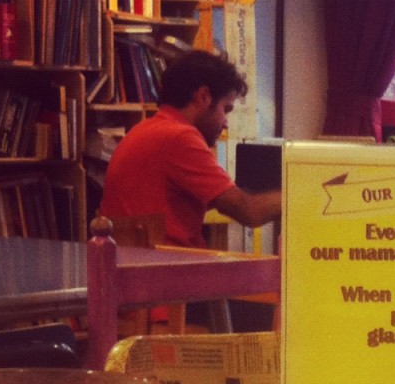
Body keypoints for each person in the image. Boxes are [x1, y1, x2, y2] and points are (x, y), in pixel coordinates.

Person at [101, 49, 281, 248]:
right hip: (167, 265)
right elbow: (249, 211)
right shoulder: (180, 137)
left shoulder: (144, 130)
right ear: (203, 97)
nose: (226, 123)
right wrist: (299, 195)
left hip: (139, 263)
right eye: (226, 109)